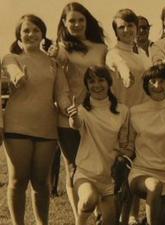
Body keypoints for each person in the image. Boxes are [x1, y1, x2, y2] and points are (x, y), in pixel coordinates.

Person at [2, 14, 70, 225]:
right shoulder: (12, 58)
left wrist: (70, 109)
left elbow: (61, 94)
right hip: (17, 126)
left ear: (42, 34)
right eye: (26, 31)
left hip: (46, 128)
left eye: (35, 30)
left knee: (41, 182)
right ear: (19, 35)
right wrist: (17, 77)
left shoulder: (53, 63)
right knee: (18, 180)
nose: (31, 34)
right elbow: (12, 71)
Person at [49, 2, 107, 220]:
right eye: (71, 20)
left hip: (96, 117)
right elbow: (59, 87)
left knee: (99, 166)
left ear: (87, 21)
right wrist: (68, 110)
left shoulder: (101, 48)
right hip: (68, 118)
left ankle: (101, 211)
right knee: (74, 168)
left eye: (80, 19)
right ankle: (78, 219)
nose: (76, 24)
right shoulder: (60, 50)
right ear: (64, 23)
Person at [67, 66, 132, 225]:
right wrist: (73, 116)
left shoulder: (123, 110)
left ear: (109, 83)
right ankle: (80, 221)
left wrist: (124, 160)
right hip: (86, 174)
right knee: (89, 199)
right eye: (91, 81)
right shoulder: (82, 110)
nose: (96, 85)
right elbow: (75, 125)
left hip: (110, 178)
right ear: (87, 86)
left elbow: (125, 145)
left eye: (101, 80)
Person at [128, 63, 165, 225]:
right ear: (146, 84)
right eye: (153, 81)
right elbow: (128, 145)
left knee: (164, 221)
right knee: (154, 185)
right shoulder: (134, 111)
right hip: (141, 173)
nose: (157, 86)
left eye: (163, 81)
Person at [106, 8, 151, 108]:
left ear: (136, 28)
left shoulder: (141, 54)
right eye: (121, 27)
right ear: (116, 32)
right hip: (123, 113)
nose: (126, 30)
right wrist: (126, 74)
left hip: (143, 112)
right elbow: (120, 63)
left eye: (130, 25)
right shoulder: (113, 54)